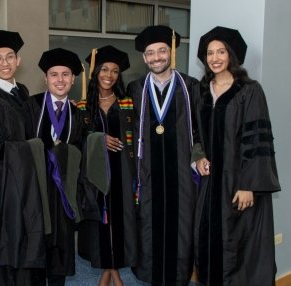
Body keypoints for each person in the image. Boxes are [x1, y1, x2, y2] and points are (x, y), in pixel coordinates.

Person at [193, 26, 280, 286]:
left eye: (221, 51)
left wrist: (248, 185)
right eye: (210, 52)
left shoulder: (249, 91)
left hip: (238, 184)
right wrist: (197, 157)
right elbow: (195, 131)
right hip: (210, 186)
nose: (215, 57)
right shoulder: (201, 90)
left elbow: (257, 141)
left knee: (240, 244)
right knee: (206, 238)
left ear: (231, 55)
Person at [126, 25, 201, 285]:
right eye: (150, 53)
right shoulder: (135, 89)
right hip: (148, 171)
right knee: (148, 221)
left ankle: (179, 276)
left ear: (171, 52)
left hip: (181, 172)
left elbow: (201, 130)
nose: (156, 57)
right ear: (144, 58)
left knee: (181, 225)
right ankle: (150, 273)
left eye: (161, 51)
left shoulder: (191, 86)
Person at [0, 30, 46, 286]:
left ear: (18, 60)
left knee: (30, 232)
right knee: (11, 235)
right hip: (3, 181)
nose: (5, 63)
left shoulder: (23, 92)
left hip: (28, 178)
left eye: (9, 57)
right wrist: (31, 148)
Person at [77, 45, 137, 286]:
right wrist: (98, 141)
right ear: (95, 72)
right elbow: (77, 141)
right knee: (101, 222)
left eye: (114, 71)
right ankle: (108, 270)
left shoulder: (128, 104)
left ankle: (111, 270)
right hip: (95, 176)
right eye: (104, 69)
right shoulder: (82, 107)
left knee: (120, 221)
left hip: (122, 171)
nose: (109, 75)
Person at [26, 48, 85, 286]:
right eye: (54, 74)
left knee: (62, 240)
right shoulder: (31, 106)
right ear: (45, 78)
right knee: (39, 240)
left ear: (73, 79)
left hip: (64, 193)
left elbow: (81, 150)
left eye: (65, 74)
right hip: (37, 188)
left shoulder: (78, 113)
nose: (60, 80)